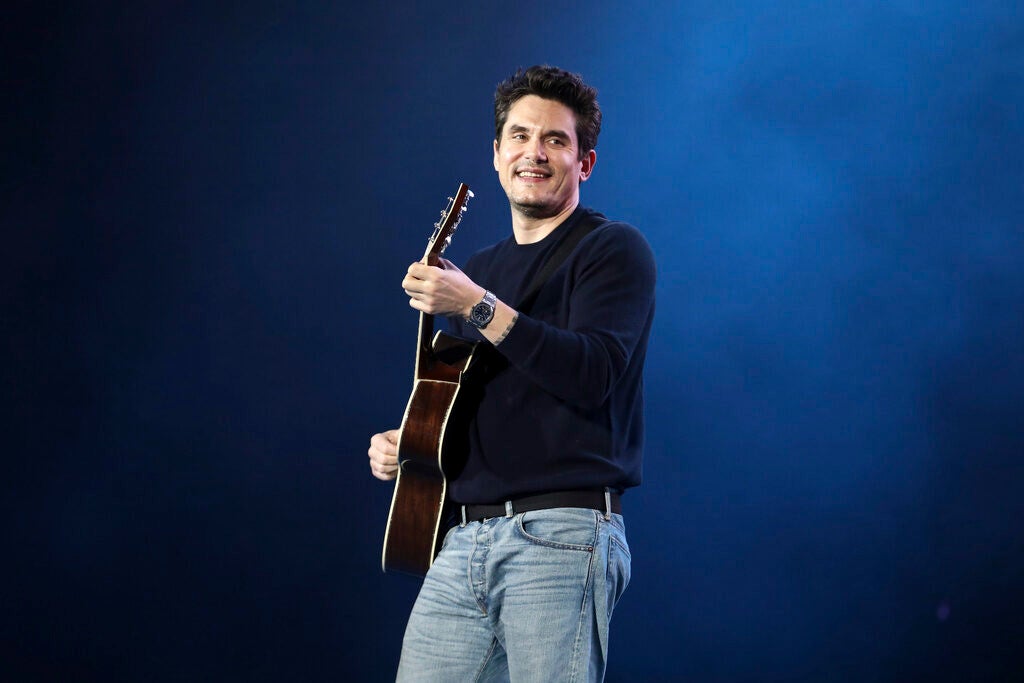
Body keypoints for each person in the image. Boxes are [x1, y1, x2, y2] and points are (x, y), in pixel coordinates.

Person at [367, 64, 656, 682]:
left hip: (561, 534)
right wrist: (411, 444)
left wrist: (476, 304)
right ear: (497, 155)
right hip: (463, 540)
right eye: (520, 137)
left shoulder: (611, 249)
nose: (535, 152)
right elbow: (464, 398)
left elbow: (591, 373)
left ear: (585, 163)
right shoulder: (481, 265)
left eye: (556, 139)